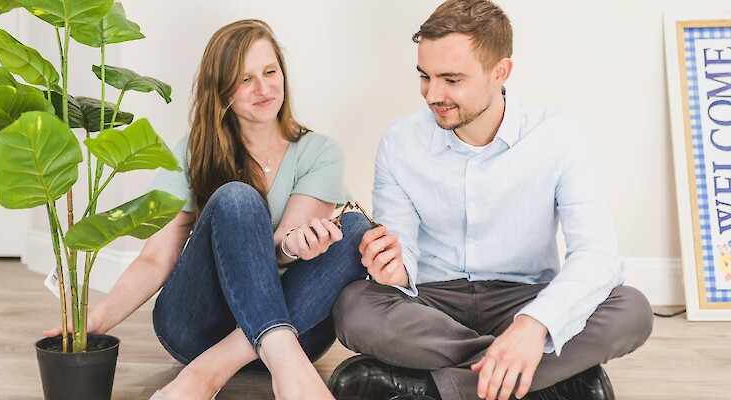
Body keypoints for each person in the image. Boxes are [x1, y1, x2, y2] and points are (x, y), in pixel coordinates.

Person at [327, 1, 653, 400]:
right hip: (433, 303)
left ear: (500, 72)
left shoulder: (560, 136)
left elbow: (597, 255)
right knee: (354, 306)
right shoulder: (400, 141)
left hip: (524, 296)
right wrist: (396, 267)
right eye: (424, 77)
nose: (433, 94)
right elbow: (402, 245)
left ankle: (432, 387)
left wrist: (534, 325)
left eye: (451, 79)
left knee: (631, 309)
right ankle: (542, 377)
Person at [44, 19, 371, 400]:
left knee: (357, 228)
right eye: (245, 79)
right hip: (198, 328)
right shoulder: (191, 153)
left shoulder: (320, 151)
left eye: (270, 72)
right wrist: (94, 322)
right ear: (221, 89)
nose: (264, 88)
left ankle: (206, 374)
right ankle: (282, 366)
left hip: (299, 330)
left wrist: (296, 246)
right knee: (236, 198)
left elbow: (285, 240)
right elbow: (155, 260)